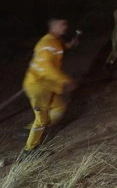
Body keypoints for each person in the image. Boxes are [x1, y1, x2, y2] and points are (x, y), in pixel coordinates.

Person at [21, 18, 79, 155]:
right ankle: (29, 151)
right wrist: (67, 81)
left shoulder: (54, 41)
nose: (65, 26)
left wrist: (70, 44)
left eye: (66, 23)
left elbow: (60, 48)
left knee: (59, 108)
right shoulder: (46, 44)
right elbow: (48, 69)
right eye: (62, 24)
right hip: (38, 86)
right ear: (53, 27)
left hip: (46, 85)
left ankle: (30, 131)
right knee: (41, 120)